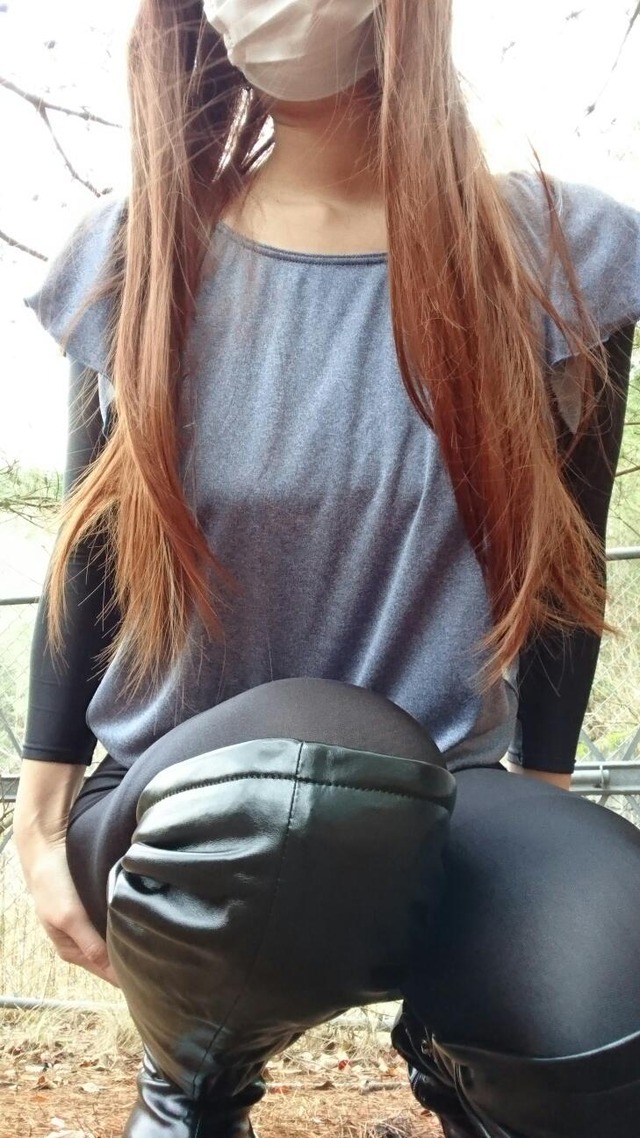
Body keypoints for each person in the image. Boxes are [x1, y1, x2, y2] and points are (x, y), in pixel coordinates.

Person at [12, 1, 640, 1135]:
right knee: (309, 777)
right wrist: (41, 816)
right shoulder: (136, 251)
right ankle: (193, 1083)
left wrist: (540, 837)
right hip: (180, 812)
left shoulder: (564, 258)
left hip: (449, 788)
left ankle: (461, 1062)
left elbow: (565, 567)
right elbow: (88, 550)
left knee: (611, 956)